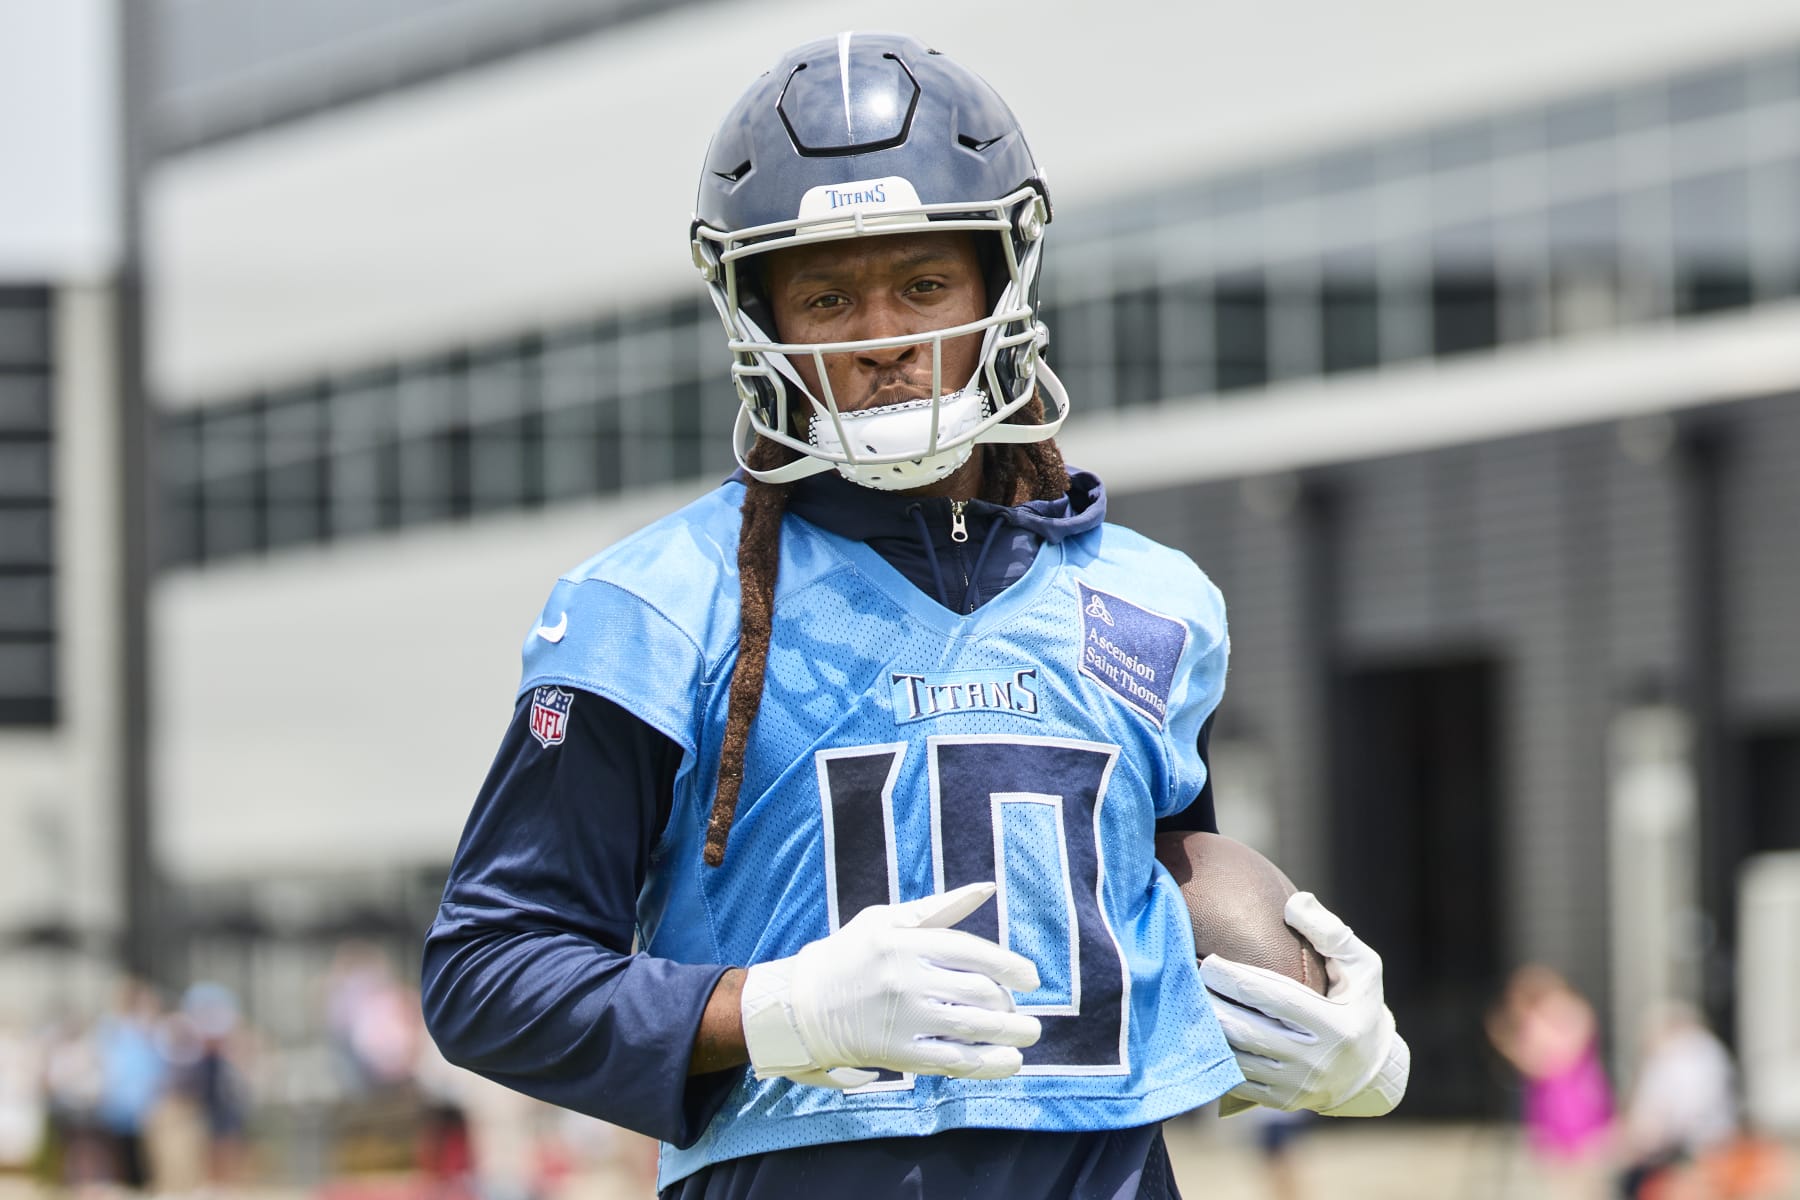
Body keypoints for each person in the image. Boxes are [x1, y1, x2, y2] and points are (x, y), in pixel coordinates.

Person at [422, 32, 1409, 1199]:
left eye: (923, 283)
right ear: (761, 321)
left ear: (1002, 284)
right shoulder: (654, 605)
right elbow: (488, 975)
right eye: (829, 295)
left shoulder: (1150, 598)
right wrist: (774, 1010)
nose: (884, 336)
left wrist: (1324, 1044)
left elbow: (1142, 912)